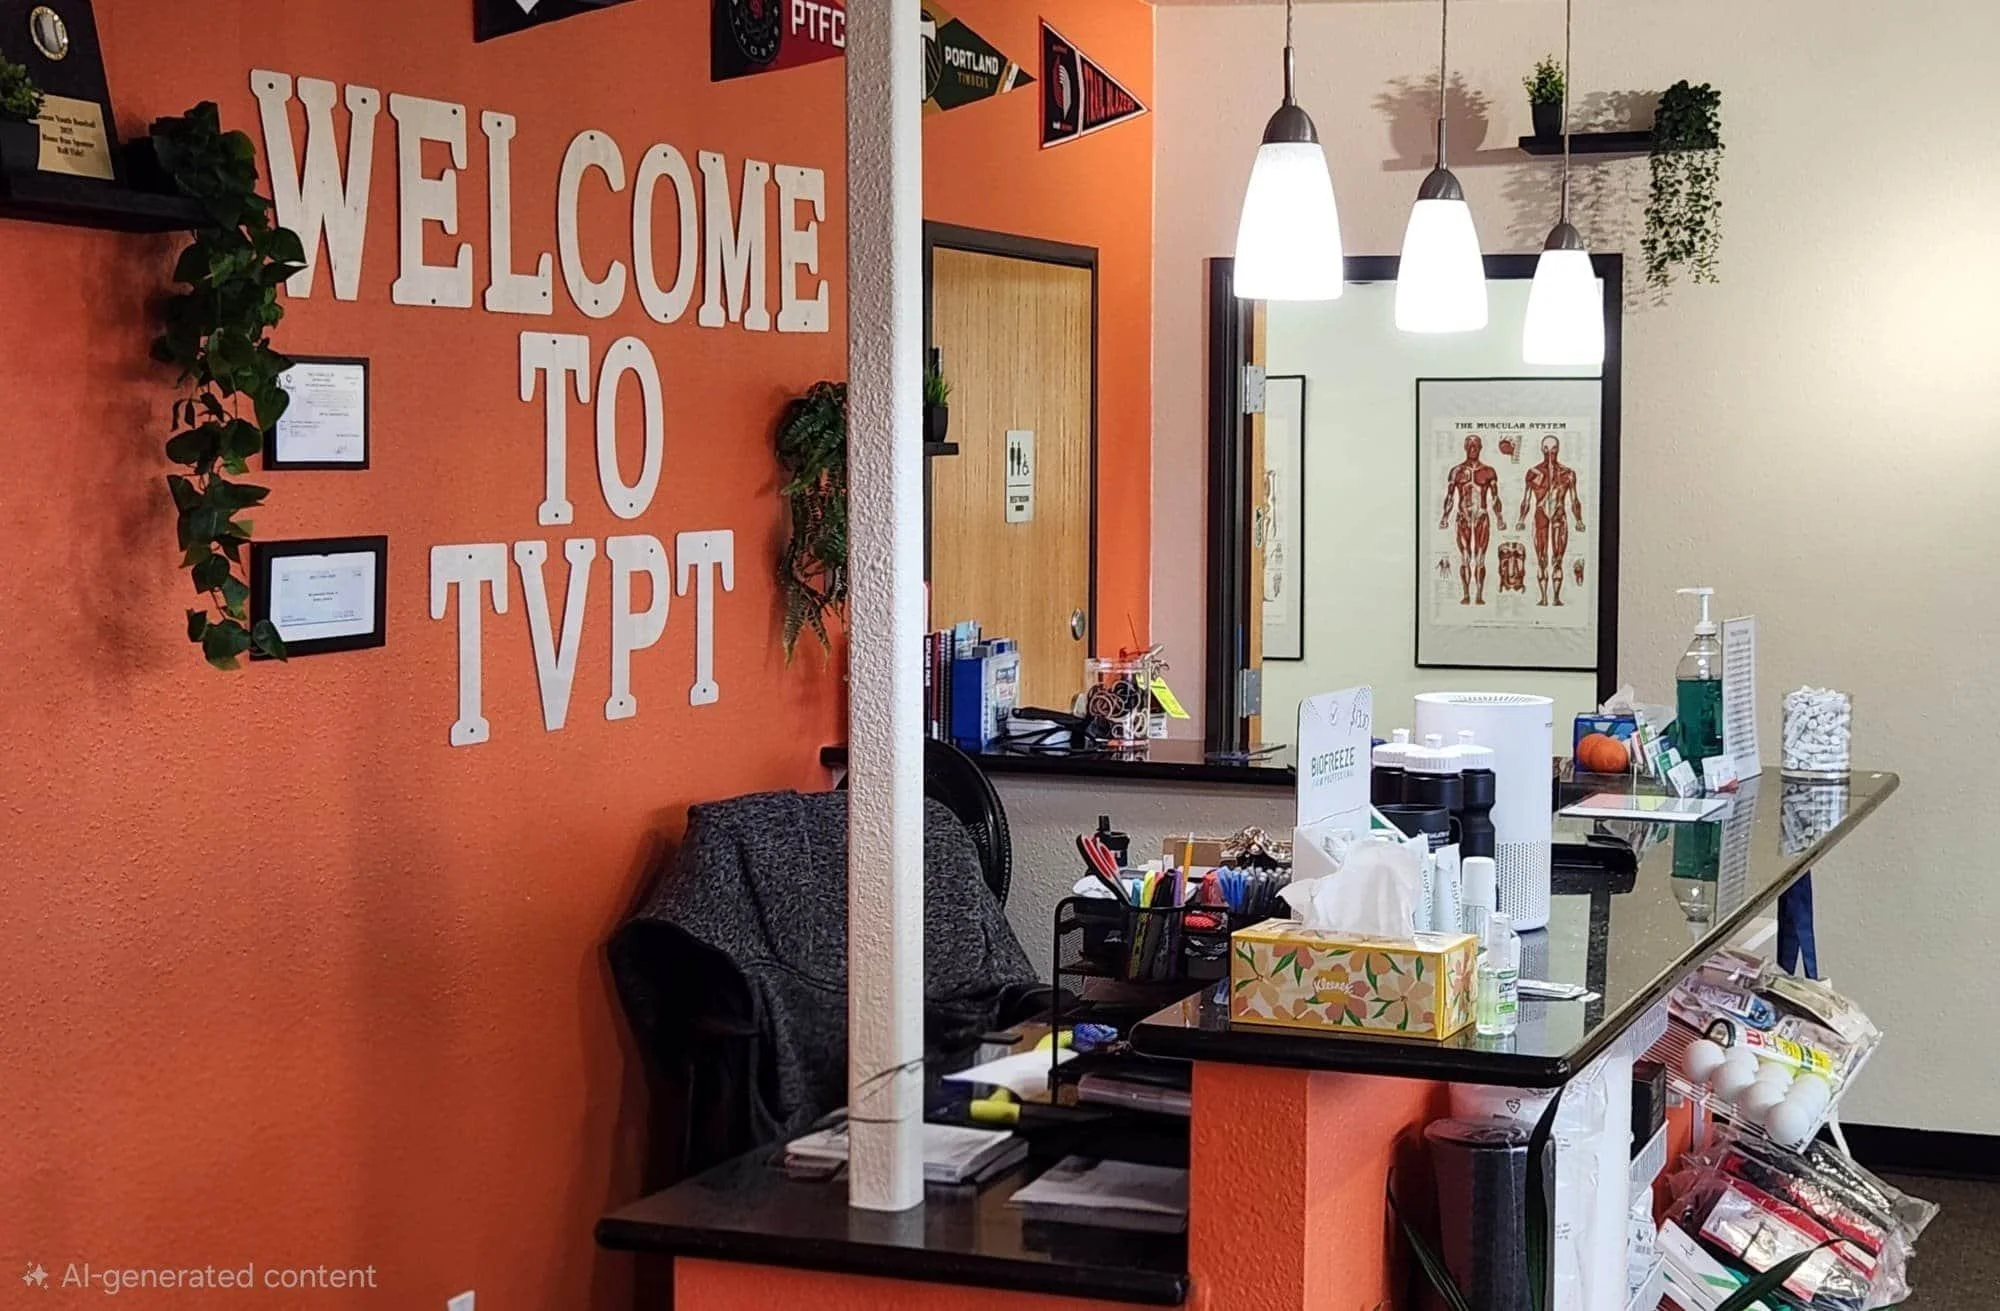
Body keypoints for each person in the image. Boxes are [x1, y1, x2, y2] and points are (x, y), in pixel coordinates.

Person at [1437, 434, 1508, 605]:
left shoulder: (1488, 471)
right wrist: (1444, 517)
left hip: (1482, 517)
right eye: (1469, 444)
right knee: (1465, 557)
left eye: (1476, 444)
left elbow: (1495, 498)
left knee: (1480, 558)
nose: (1472, 447)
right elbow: (1450, 497)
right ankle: (1466, 594)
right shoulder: (1456, 471)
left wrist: (1499, 518)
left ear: (1481, 447)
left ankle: (1479, 595)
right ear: (1464, 447)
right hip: (1463, 518)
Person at [1517, 434, 1586, 606]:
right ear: (1542, 449)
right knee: (1541, 559)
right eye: (1547, 449)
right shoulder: (1533, 473)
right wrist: (1521, 519)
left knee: (1557, 559)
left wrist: (1579, 520)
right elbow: (1526, 499)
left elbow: (1574, 499)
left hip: (1559, 517)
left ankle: (1555, 598)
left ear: (1558, 449)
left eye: (1554, 449)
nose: (1550, 453)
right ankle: (1543, 598)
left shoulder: (1568, 474)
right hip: (1540, 516)